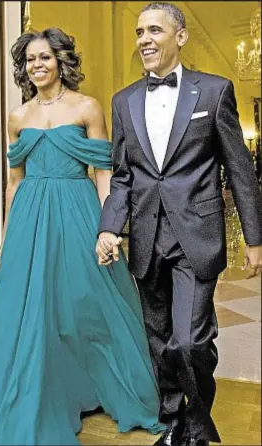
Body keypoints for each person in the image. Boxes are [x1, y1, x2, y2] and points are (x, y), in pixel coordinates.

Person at [0, 28, 165, 445]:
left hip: (78, 209)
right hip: (30, 214)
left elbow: (105, 173)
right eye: (30, 59)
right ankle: (40, 391)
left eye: (45, 57)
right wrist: (8, 234)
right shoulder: (18, 116)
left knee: (87, 301)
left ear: (61, 60)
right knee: (27, 309)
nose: (37, 65)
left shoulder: (87, 107)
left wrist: (110, 227)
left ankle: (97, 387)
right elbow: (15, 181)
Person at [96, 3, 262, 446]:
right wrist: (109, 228)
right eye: (139, 31)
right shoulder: (123, 100)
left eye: (155, 30)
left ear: (181, 37)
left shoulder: (214, 92)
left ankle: (197, 425)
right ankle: (173, 423)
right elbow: (123, 176)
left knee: (188, 343)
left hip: (197, 236)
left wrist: (255, 237)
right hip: (147, 239)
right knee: (159, 342)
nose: (144, 39)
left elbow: (239, 168)